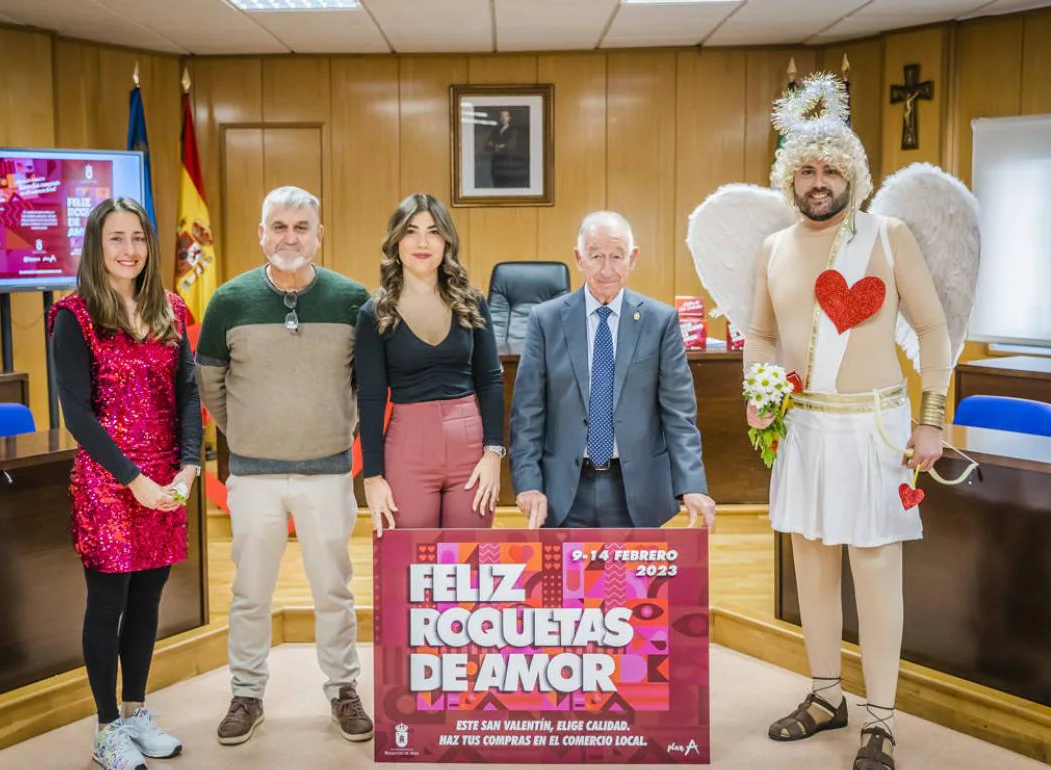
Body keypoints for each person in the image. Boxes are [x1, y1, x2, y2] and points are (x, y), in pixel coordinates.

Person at [686, 73, 978, 770]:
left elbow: (934, 330)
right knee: (812, 566)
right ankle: (825, 696)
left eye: (831, 167)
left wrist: (933, 422)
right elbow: (756, 334)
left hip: (876, 430)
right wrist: (760, 388)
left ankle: (880, 718)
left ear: (854, 173)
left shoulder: (890, 235)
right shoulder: (772, 249)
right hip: (806, 429)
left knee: (875, 572)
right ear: (790, 177)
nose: (819, 180)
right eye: (807, 169)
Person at [194, 185, 374, 746]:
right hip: (254, 475)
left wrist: (331, 429)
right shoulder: (228, 300)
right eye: (279, 226)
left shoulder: (352, 300)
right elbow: (211, 386)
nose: (289, 237)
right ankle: (246, 693)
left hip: (328, 472)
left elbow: (365, 384)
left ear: (319, 235)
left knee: (334, 591)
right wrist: (249, 433)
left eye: (301, 227)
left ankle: (343, 688)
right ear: (261, 234)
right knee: (250, 591)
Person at [49, 197, 202, 770]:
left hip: (165, 479)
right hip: (109, 480)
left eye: (137, 238)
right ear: (96, 244)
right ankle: (106, 726)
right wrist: (132, 478)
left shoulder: (168, 307)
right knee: (108, 601)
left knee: (148, 599)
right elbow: (78, 414)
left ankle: (136, 712)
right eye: (116, 238)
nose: (129, 250)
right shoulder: (75, 315)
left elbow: (187, 392)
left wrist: (188, 464)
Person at [508, 210, 716, 531]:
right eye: (596, 256)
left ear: (633, 259)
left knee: (632, 584)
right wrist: (527, 483)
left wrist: (692, 484)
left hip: (636, 490)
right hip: (564, 492)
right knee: (567, 582)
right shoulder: (545, 320)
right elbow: (527, 413)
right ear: (579, 259)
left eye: (617, 257)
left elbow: (679, 414)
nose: (607, 269)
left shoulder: (660, 322)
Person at [355, 192, 505, 534]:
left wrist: (493, 453)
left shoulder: (472, 303)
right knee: (408, 565)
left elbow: (491, 381)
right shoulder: (374, 314)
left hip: (471, 450)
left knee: (469, 567)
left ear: (446, 241)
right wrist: (373, 477)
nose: (422, 242)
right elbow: (371, 399)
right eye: (411, 231)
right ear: (396, 241)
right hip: (408, 450)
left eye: (434, 231)